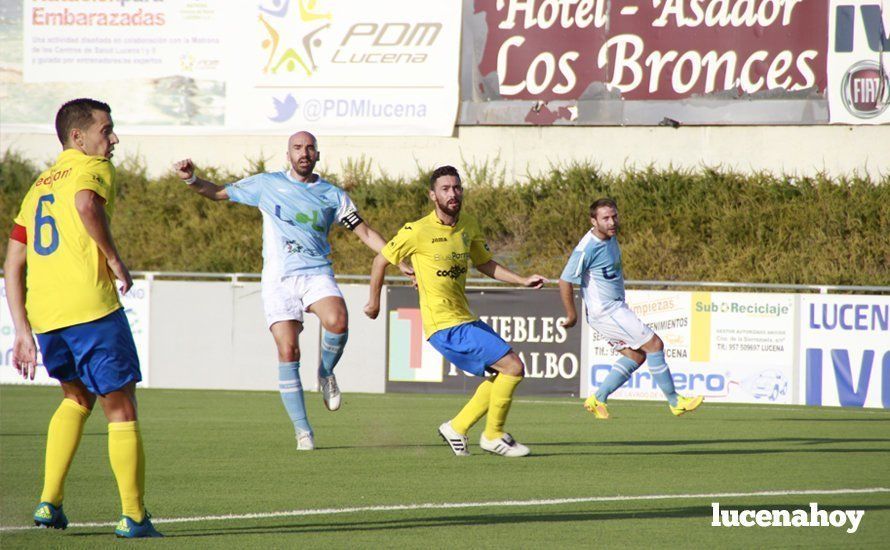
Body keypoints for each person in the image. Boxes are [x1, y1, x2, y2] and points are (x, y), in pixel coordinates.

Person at [173, 132, 406, 451]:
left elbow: (364, 231)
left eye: (309, 148)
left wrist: (397, 258)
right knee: (288, 352)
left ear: (318, 155)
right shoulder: (266, 184)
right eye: (298, 148)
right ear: (288, 154)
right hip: (279, 279)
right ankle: (303, 432)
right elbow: (217, 193)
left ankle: (325, 372)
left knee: (338, 321)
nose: (304, 153)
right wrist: (191, 179)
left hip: (316, 273)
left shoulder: (331, 195)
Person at [3, 98, 162, 538]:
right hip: (90, 308)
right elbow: (87, 204)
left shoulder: (37, 187)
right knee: (121, 407)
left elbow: (13, 259)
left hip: (49, 316)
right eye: (106, 130)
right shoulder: (91, 168)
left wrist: (22, 328)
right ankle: (133, 516)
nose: (112, 139)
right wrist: (114, 259)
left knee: (76, 400)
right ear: (79, 137)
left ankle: (49, 502)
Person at [364, 165, 547, 457]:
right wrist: (374, 302)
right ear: (433, 195)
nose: (453, 193)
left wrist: (522, 280)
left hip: (464, 317)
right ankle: (493, 435)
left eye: (457, 187)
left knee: (502, 374)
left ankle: (457, 427)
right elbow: (380, 261)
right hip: (444, 325)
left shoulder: (469, 224)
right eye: (446, 189)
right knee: (513, 367)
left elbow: (485, 263)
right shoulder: (417, 230)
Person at [558, 198, 703, 419]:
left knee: (636, 356)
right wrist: (571, 314)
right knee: (654, 345)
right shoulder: (587, 248)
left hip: (612, 309)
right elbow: (565, 280)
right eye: (605, 218)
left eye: (614, 216)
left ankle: (597, 399)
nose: (612, 222)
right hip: (606, 311)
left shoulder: (610, 238)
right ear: (593, 221)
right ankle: (675, 401)